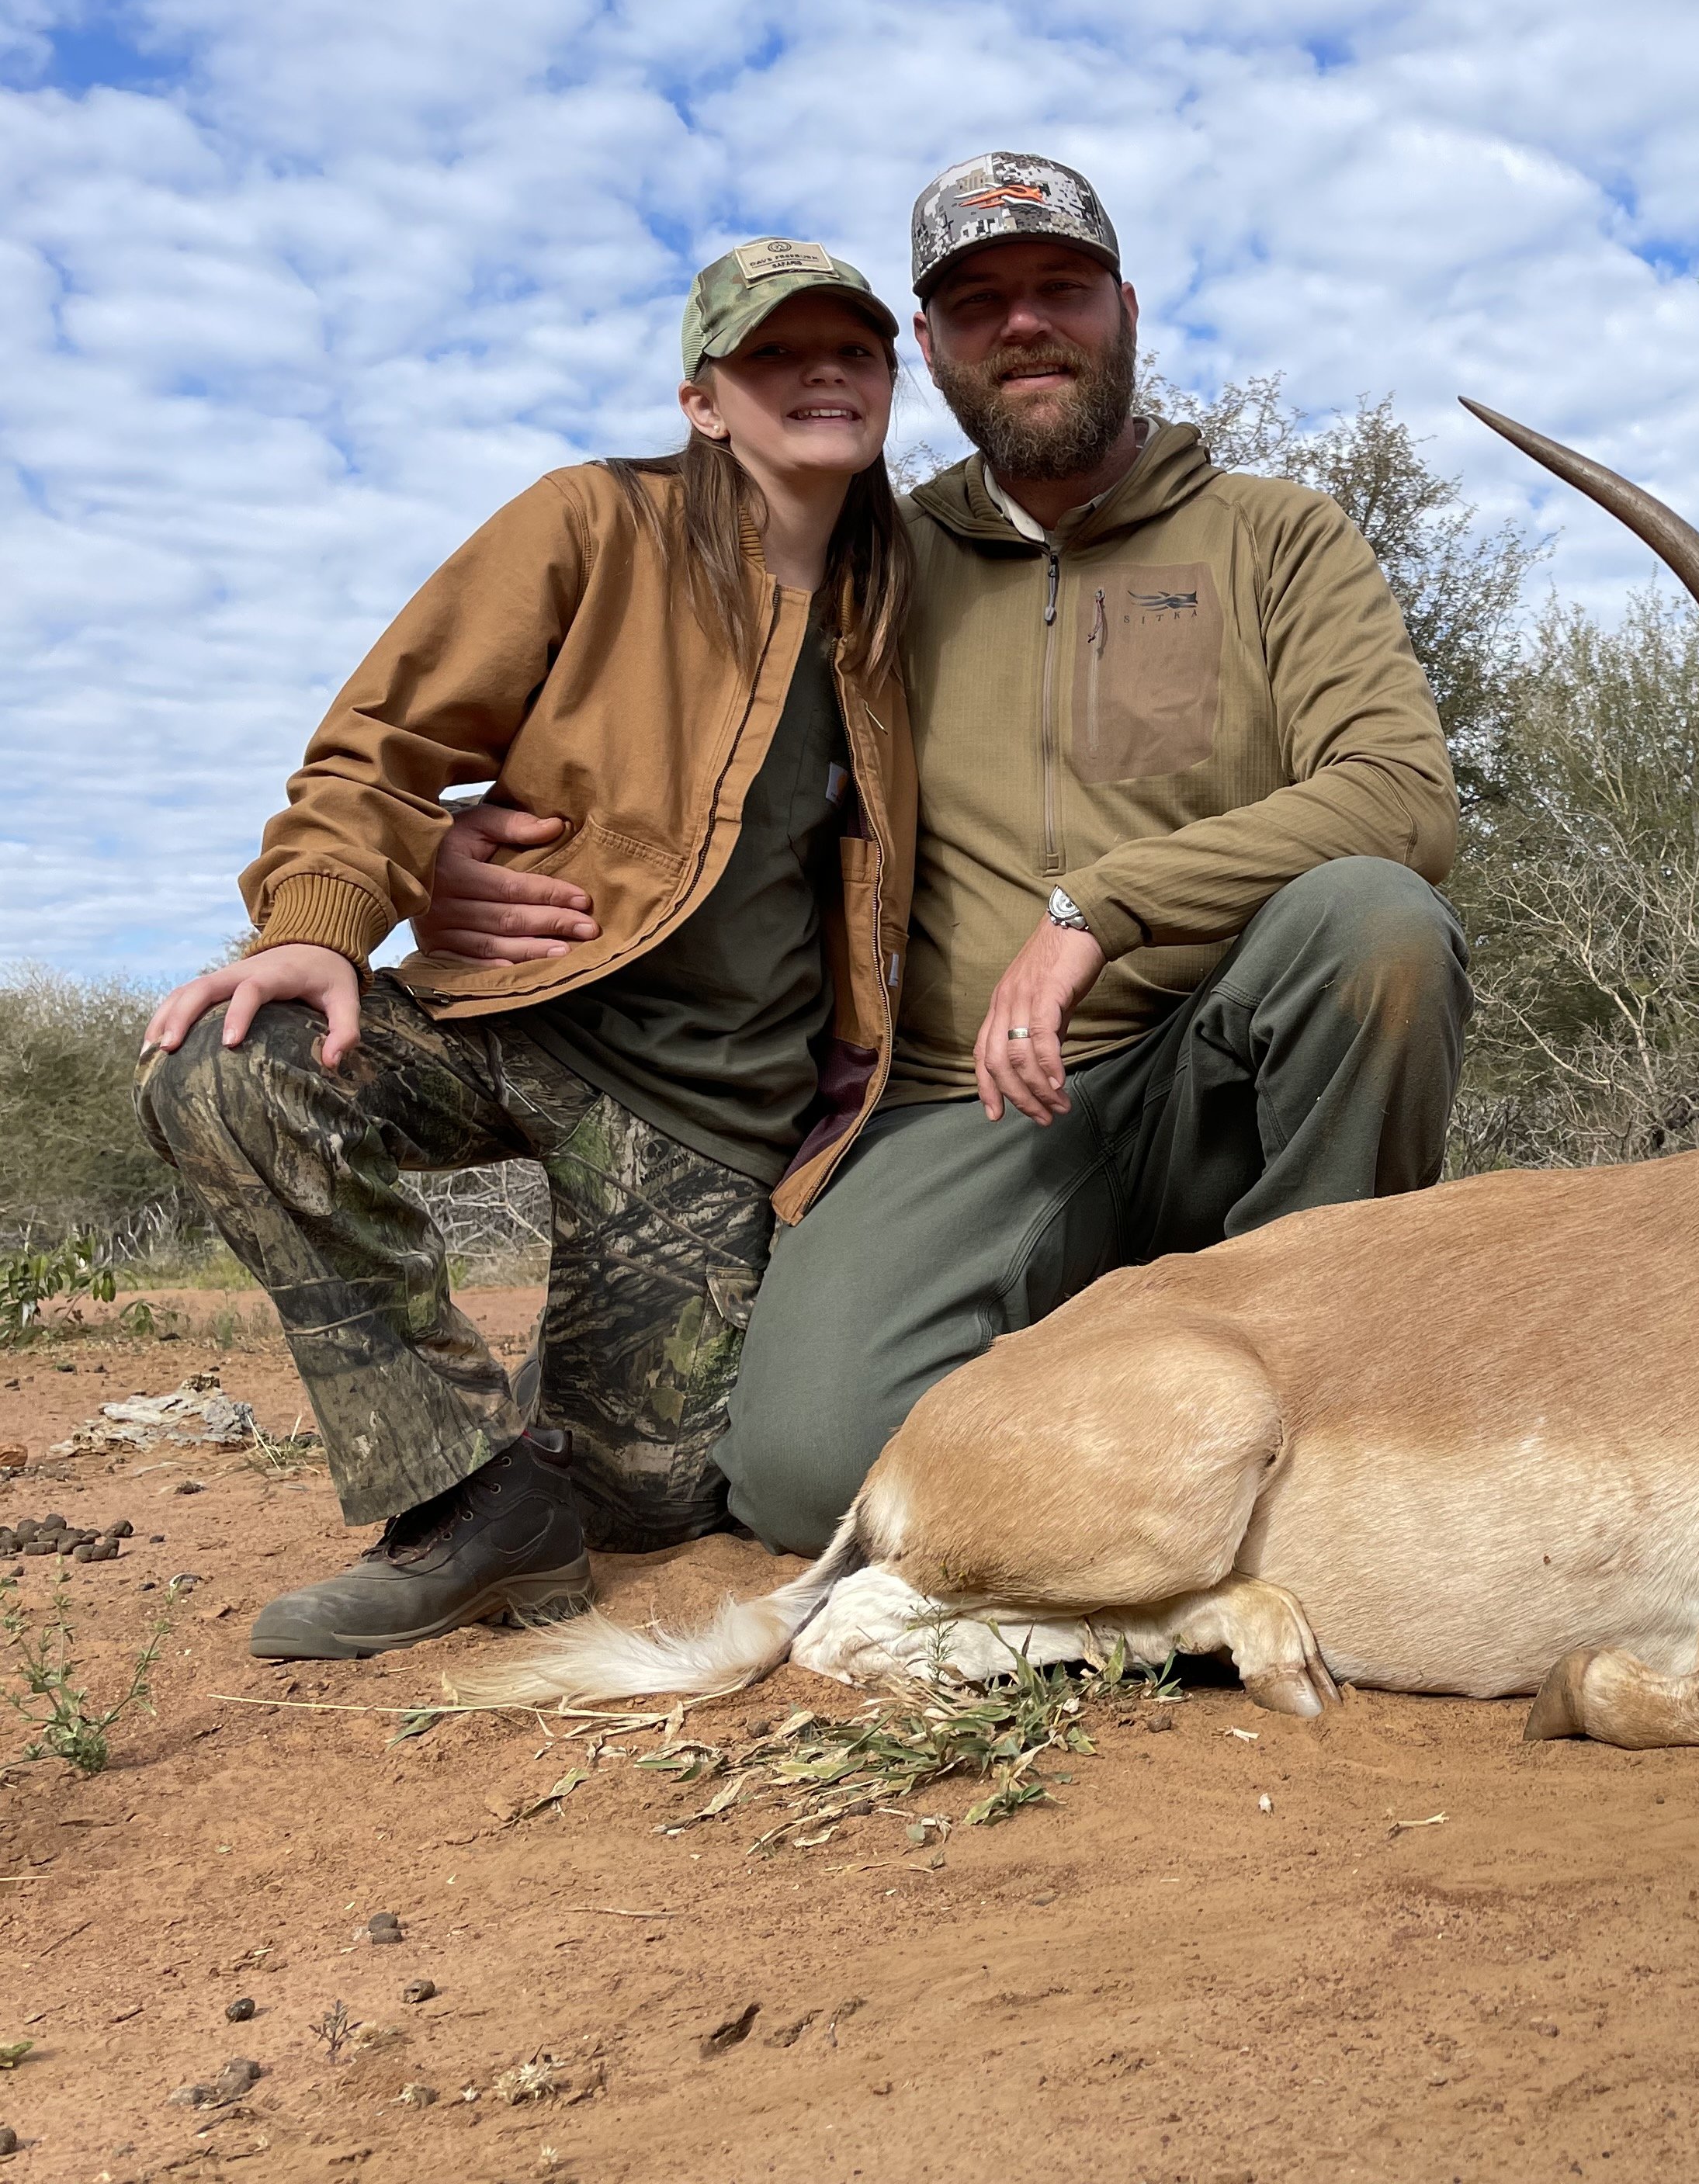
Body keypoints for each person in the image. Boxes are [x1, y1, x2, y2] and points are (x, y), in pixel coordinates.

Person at [426, 154, 1471, 1557]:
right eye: (978, 305)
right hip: (962, 1102)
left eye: (1060, 289)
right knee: (808, 1477)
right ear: (930, 350)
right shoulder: (871, 565)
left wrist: (1098, 907)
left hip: (1219, 1074)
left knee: (1377, 926)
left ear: (1127, 308)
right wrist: (452, 839)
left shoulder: (1278, 535)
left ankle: (1334, 1418)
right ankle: (1122, 1412)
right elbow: (696, 777)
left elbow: (1400, 793)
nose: (1024, 324)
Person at [137, 239, 920, 1656]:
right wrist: (330, 914)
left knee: (653, 1503)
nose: (818, 373)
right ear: (702, 401)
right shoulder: (585, 521)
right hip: (515, 1013)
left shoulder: (916, 595)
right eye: (772, 354)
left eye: (850, 351)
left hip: (706, 1111)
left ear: (889, 380)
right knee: (229, 1062)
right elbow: (381, 742)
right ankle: (468, 1489)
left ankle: (569, 1425)